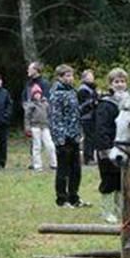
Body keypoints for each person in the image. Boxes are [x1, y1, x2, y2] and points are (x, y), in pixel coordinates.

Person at [96, 68, 128, 223]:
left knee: (121, 180)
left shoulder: (128, 102)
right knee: (108, 179)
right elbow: (101, 128)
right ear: (110, 84)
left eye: (122, 81)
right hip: (107, 148)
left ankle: (120, 208)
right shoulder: (105, 104)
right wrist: (106, 149)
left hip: (124, 147)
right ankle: (106, 211)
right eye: (116, 82)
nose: (120, 84)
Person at [49, 64, 83, 207]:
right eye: (67, 76)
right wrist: (60, 138)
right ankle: (62, 199)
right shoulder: (56, 94)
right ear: (60, 77)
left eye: (71, 75)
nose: (70, 78)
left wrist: (79, 133)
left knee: (76, 170)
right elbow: (55, 118)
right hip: (64, 138)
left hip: (74, 136)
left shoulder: (73, 92)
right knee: (63, 170)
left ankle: (73, 197)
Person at [25, 84, 57, 172]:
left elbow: (50, 114)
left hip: (45, 126)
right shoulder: (31, 105)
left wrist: (51, 124)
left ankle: (54, 163)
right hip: (35, 127)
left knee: (50, 145)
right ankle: (37, 165)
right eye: (35, 94)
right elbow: (27, 117)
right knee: (36, 146)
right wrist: (27, 128)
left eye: (39, 93)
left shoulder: (45, 104)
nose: (37, 95)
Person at [77, 69, 99, 165]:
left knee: (92, 137)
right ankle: (88, 158)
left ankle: (91, 157)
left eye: (92, 76)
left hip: (93, 116)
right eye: (89, 76)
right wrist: (93, 102)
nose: (91, 78)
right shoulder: (83, 90)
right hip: (86, 117)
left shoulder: (92, 88)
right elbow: (82, 105)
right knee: (89, 138)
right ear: (84, 78)